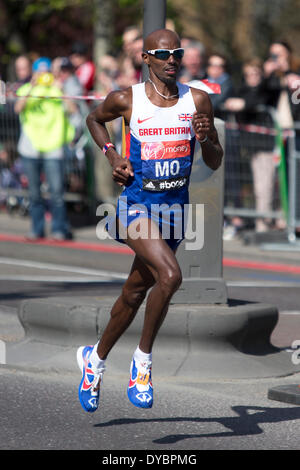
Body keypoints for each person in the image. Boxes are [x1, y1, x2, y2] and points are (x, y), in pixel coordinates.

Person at [77, 29, 223, 413]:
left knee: (133, 293)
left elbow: (214, 161)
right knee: (171, 276)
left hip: (174, 210)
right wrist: (112, 156)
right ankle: (142, 364)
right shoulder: (127, 98)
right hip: (136, 207)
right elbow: (94, 120)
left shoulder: (198, 100)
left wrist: (207, 139)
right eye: (163, 53)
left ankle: (94, 361)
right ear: (147, 58)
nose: (172, 59)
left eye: (177, 52)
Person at [14, 57, 75, 240]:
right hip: (30, 148)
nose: (43, 76)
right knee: (34, 193)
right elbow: (18, 108)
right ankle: (37, 229)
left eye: (45, 72)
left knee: (56, 192)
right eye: (39, 72)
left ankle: (59, 229)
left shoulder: (57, 89)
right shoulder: (26, 89)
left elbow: (72, 109)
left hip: (53, 147)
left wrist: (61, 89)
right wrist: (32, 86)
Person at [224, 59, 277, 233]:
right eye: (248, 74)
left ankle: (264, 224)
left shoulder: (267, 90)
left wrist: (244, 105)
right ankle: (262, 221)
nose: (252, 77)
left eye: (255, 73)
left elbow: (259, 98)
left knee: (264, 187)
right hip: (249, 148)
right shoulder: (243, 90)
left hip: (267, 146)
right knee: (257, 187)